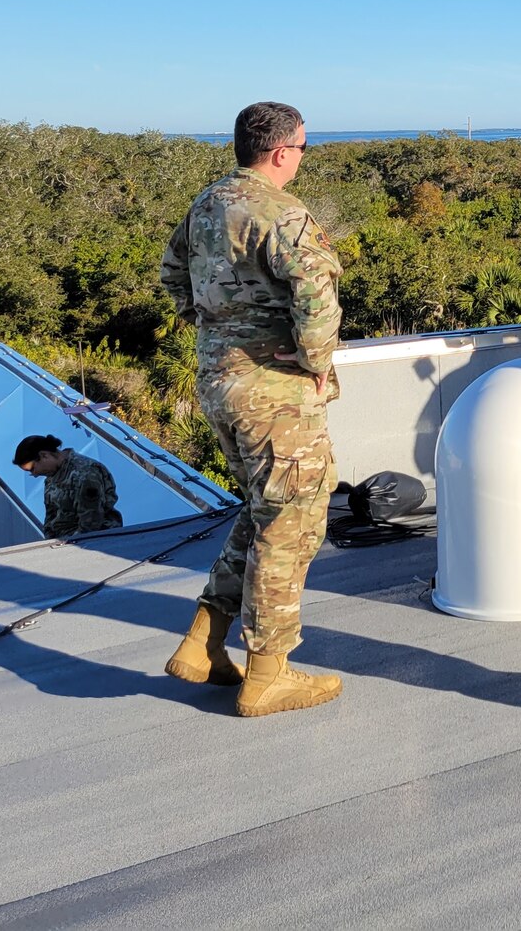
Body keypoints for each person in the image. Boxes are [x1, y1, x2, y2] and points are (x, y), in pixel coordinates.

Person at [159, 101, 344, 717]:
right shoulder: (285, 215)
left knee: (264, 509)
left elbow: (173, 274)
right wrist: (315, 366)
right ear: (283, 151)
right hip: (275, 391)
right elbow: (317, 299)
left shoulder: (207, 202)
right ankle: (269, 671)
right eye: (302, 149)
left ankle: (204, 642)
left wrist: (216, 333)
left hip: (219, 381)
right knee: (292, 523)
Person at [12, 433, 123, 537]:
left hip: (90, 543)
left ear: (44, 455)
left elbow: (90, 523)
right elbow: (51, 516)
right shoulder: (53, 475)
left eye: (32, 469)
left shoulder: (85, 473)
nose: (34, 475)